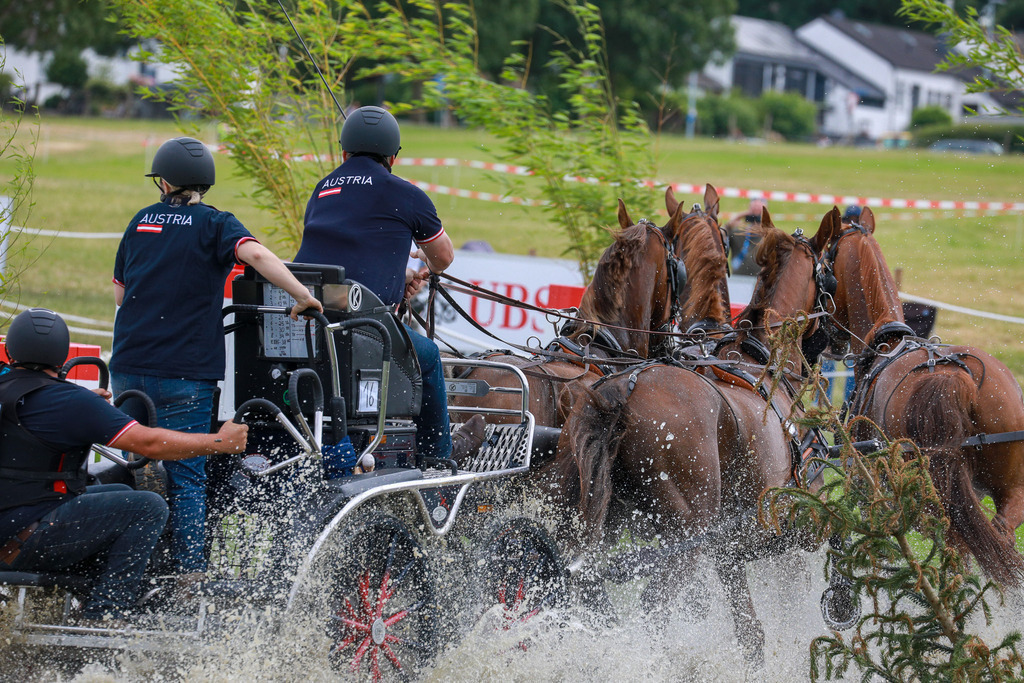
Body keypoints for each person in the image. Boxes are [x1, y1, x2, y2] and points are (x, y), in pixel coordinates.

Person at [110, 136, 323, 579]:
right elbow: (256, 254)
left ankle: (130, 572)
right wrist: (302, 296)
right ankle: (188, 579)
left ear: (163, 181)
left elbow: (119, 293)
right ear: (204, 183)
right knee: (187, 477)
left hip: (128, 365)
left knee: (131, 465)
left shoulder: (140, 221)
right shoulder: (215, 223)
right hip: (184, 372)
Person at [0, 309, 248, 621]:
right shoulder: (72, 402)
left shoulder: (25, 392)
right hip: (25, 540)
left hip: (11, 526)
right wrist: (219, 442)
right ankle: (106, 614)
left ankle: (78, 599)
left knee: (118, 491)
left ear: (10, 352)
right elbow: (149, 444)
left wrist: (86, 407)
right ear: (62, 357)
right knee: (147, 507)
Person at [294, 105, 485, 465]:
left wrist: (400, 279)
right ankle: (439, 457)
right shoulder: (405, 193)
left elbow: (348, 252)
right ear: (393, 158)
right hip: (363, 328)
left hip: (312, 326)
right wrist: (424, 264)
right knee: (427, 355)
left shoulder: (322, 190)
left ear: (344, 153)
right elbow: (444, 257)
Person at [724, 198, 767, 275]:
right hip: (739, 278)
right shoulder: (737, 233)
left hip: (760, 279)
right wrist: (730, 224)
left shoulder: (769, 237)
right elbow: (718, 238)